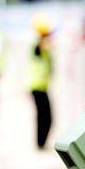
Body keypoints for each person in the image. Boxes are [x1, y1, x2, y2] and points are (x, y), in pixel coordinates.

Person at [29, 15, 53, 149]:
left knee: (43, 116)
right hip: (37, 86)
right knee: (45, 117)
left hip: (40, 86)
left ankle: (40, 143)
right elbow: (42, 47)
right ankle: (40, 143)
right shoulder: (38, 45)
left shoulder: (39, 44)